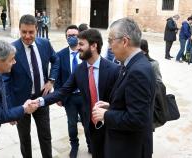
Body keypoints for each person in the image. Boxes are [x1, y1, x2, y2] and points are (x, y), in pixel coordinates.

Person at [37, 29, 120, 158]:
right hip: (91, 123)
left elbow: (120, 101)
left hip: (111, 124)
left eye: (81, 44)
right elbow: (63, 91)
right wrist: (40, 101)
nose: (77, 48)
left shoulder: (114, 70)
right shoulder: (80, 70)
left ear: (93, 46)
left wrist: (109, 110)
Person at [92, 18, 156, 158]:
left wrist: (106, 115)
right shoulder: (133, 64)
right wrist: (111, 106)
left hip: (129, 149)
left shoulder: (138, 71)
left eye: (110, 40)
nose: (109, 47)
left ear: (125, 41)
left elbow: (137, 119)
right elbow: (133, 104)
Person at [8, 14, 59, 158]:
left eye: (31, 32)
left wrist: (51, 80)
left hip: (42, 98)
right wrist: (10, 108)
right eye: (24, 32)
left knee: (45, 135)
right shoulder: (11, 49)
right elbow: (6, 80)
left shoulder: (45, 44)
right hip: (21, 102)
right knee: (24, 139)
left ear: (37, 29)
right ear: (19, 30)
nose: (27, 36)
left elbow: (56, 61)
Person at [54, 25, 91, 157]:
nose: (72, 38)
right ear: (66, 37)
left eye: (75, 35)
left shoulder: (86, 53)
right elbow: (57, 77)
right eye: (69, 36)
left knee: (88, 122)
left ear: (80, 36)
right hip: (69, 98)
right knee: (72, 124)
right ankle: (74, 145)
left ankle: (90, 144)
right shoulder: (60, 55)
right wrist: (58, 95)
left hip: (84, 96)